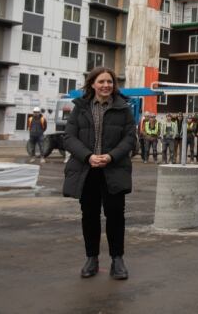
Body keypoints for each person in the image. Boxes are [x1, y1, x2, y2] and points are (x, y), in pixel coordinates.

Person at [62, 67, 136, 280]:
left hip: (114, 170)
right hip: (87, 171)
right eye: (101, 82)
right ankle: (91, 258)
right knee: (90, 216)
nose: (106, 86)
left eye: (110, 82)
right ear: (92, 84)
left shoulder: (123, 108)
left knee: (115, 215)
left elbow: (130, 138)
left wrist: (111, 156)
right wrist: (88, 156)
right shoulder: (80, 108)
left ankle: (117, 259)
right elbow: (69, 137)